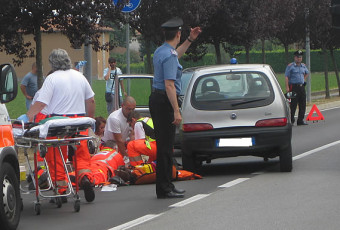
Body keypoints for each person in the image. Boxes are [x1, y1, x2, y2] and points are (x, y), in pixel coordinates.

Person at [27, 48, 96, 202]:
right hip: (79, 121)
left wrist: (29, 117)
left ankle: (61, 189)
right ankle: (85, 177)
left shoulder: (52, 79)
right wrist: (88, 120)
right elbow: (91, 101)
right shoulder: (80, 76)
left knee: (56, 154)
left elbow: (41, 103)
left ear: (52, 63)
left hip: (58, 122)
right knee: (81, 154)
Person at [149, 17, 201, 199]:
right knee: (166, 147)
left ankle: (166, 185)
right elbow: (170, 84)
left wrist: (190, 40)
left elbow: (176, 54)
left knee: (164, 146)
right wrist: (176, 110)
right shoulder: (168, 55)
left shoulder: (162, 51)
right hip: (165, 101)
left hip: (158, 99)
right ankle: (164, 188)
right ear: (178, 34)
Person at [102, 96, 136, 165]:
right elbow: (119, 140)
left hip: (121, 143)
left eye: (133, 109)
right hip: (110, 145)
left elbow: (133, 134)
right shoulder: (115, 118)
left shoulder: (131, 117)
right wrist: (127, 158)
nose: (131, 112)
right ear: (122, 106)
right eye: (128, 109)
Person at [285, 50, 309, 126]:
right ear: (295, 57)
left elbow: (307, 73)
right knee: (293, 105)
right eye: (298, 57)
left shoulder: (303, 66)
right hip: (294, 87)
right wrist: (287, 87)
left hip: (301, 87)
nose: (299, 59)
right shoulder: (290, 66)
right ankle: (291, 120)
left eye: (300, 57)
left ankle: (300, 120)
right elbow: (286, 77)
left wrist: (303, 79)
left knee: (302, 104)